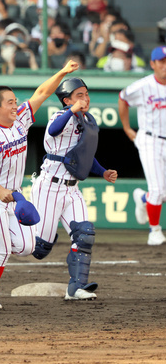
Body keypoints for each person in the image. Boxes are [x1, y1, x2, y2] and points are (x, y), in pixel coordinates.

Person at [0, 60, 79, 309]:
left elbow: (42, 93)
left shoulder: (20, 119)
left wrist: (62, 72)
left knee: (28, 246)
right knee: (3, 248)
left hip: (15, 195)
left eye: (15, 101)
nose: (15, 105)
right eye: (10, 102)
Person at [30, 78, 117, 300]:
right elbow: (54, 129)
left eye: (86, 94)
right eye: (79, 95)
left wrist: (103, 171)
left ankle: (76, 288)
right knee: (39, 247)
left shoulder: (87, 120)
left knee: (84, 234)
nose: (85, 99)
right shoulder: (60, 116)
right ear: (67, 100)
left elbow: (84, 155)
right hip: (50, 185)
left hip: (72, 188)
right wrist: (71, 110)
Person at [119, 46, 166, 246]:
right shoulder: (144, 85)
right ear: (153, 64)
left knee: (162, 193)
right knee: (157, 189)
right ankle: (154, 231)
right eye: (162, 61)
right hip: (150, 139)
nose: (165, 66)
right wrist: (128, 129)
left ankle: (142, 198)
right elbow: (123, 98)